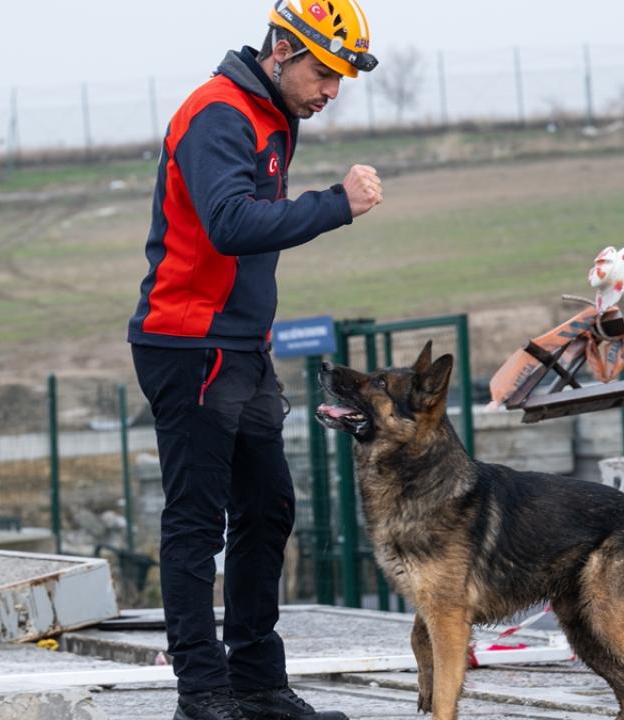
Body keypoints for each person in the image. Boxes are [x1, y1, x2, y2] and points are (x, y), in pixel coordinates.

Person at [127, 2, 381, 719]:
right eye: (325, 72)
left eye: (341, 78)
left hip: (241, 348)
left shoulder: (274, 115)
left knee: (268, 509)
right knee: (197, 525)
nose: (332, 91)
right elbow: (230, 224)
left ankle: (259, 684)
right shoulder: (217, 113)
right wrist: (337, 204)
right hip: (188, 345)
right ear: (281, 49)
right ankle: (202, 693)